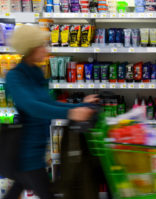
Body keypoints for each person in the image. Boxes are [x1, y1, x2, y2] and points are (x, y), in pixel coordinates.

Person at [4, 25, 98, 199]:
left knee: (15, 190)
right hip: (26, 154)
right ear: (30, 48)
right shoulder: (15, 77)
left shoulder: (36, 71)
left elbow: (48, 103)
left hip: (36, 150)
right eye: (42, 45)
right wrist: (72, 113)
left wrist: (78, 107)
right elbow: (32, 106)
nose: (46, 49)